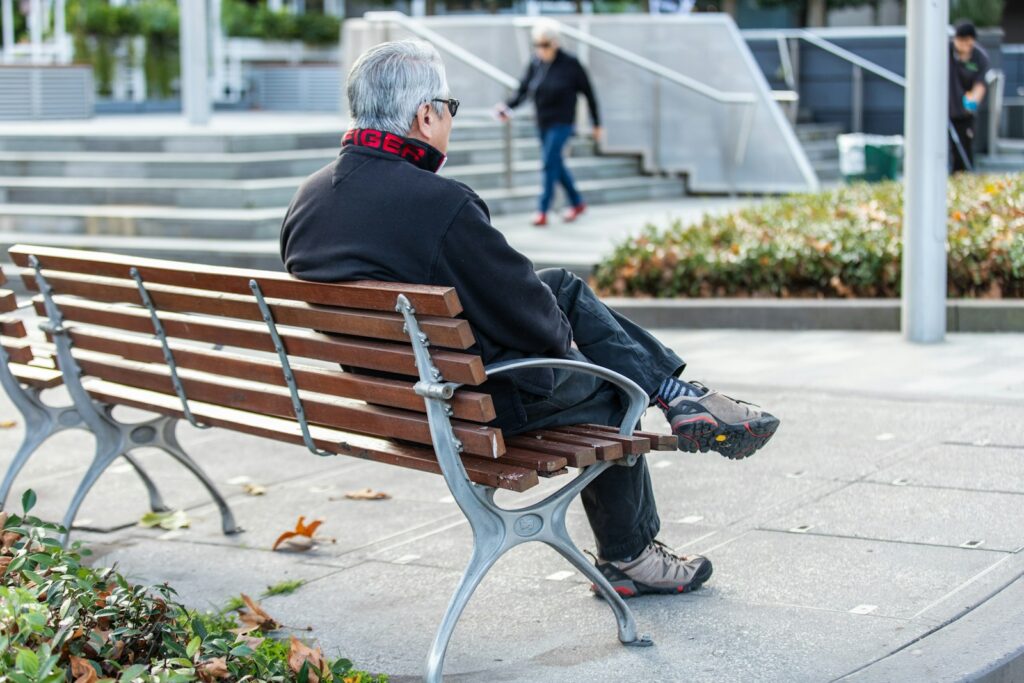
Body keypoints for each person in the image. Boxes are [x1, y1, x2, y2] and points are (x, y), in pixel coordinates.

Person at [281, 41, 780, 598]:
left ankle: (675, 391)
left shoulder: (309, 201)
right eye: (449, 106)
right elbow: (538, 329)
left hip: (393, 402)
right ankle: (632, 549)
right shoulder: (439, 205)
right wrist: (585, 354)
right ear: (426, 115)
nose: (449, 119)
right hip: (469, 411)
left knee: (561, 287)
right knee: (615, 388)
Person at [495, 20, 601, 228]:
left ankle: (542, 210)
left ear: (555, 43)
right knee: (556, 163)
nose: (540, 49)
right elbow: (523, 89)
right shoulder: (536, 63)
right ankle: (578, 202)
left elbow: (589, 94)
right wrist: (507, 107)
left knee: (548, 162)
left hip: (563, 122)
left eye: (544, 44)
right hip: (543, 120)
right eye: (537, 44)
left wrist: (597, 124)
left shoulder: (571, 64)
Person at [949, 20, 991, 172]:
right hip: (943, 109)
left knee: (963, 150)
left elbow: (980, 84)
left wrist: (972, 103)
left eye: (965, 41)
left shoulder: (980, 58)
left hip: (964, 113)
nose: (961, 44)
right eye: (958, 40)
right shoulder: (946, 52)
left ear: (972, 41)